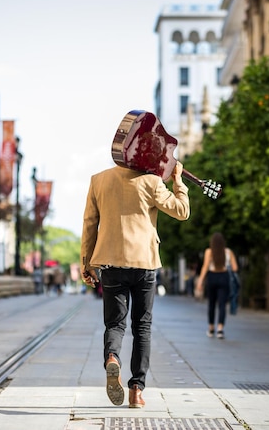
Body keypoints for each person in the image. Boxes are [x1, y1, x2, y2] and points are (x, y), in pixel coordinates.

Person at [81, 158, 190, 409]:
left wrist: (87, 263)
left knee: (115, 323)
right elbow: (182, 212)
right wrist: (178, 180)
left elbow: (89, 224)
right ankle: (136, 390)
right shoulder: (152, 181)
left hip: (110, 263)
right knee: (142, 326)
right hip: (144, 263)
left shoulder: (99, 180)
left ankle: (112, 357)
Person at [196, 232, 238, 339]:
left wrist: (200, 281)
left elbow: (205, 267)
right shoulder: (229, 252)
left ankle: (211, 328)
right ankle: (220, 329)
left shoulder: (209, 252)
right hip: (224, 277)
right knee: (222, 304)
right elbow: (235, 268)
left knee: (211, 304)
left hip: (212, 277)